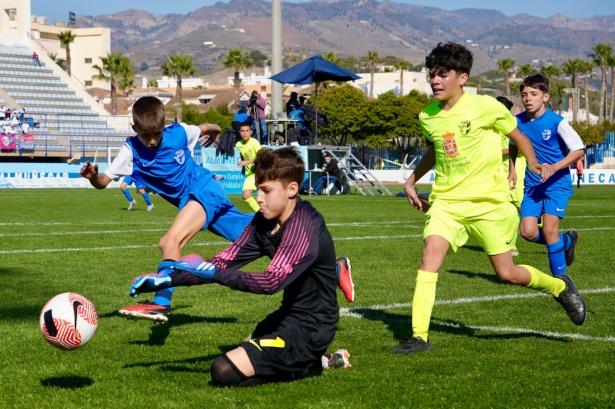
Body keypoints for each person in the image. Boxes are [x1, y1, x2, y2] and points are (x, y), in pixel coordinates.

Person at [395, 42, 587, 354]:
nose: (435, 81)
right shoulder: (427, 116)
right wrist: (411, 181)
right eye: (432, 75)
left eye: (443, 74)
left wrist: (531, 163)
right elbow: (435, 150)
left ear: (463, 77)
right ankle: (419, 336)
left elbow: (519, 136)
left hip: (489, 205)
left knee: (507, 273)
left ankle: (559, 286)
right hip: (447, 203)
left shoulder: (486, 107)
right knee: (430, 256)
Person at [128, 147, 354, 386]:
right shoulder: (263, 222)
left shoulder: (304, 225)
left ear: (292, 190)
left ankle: (306, 368)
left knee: (223, 370)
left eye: (266, 190)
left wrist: (215, 274)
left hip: (313, 327)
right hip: (287, 317)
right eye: (258, 189)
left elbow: (270, 282)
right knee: (246, 350)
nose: (258, 197)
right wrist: (169, 278)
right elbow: (222, 262)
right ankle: (320, 362)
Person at [79, 96, 255, 323]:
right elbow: (103, 181)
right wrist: (93, 177)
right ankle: (300, 236)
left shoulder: (178, 132)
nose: (152, 141)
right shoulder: (130, 152)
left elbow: (203, 127)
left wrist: (216, 131)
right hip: (197, 202)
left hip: (204, 189)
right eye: (146, 135)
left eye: (157, 134)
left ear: (165, 126)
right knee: (258, 233)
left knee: (170, 242)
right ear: (134, 127)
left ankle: (161, 303)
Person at [511, 74, 584, 278]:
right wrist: (511, 171)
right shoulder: (516, 121)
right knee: (527, 232)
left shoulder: (557, 122)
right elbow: (512, 146)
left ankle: (562, 283)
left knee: (550, 231)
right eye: (524, 94)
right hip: (533, 185)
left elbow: (578, 149)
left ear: (545, 97)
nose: (528, 98)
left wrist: (554, 167)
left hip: (556, 184)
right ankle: (567, 242)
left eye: (534, 94)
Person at [235, 122, 262, 212]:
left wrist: (246, 162)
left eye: (247, 131)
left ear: (251, 132)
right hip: (250, 174)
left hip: (261, 172)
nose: (245, 133)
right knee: (246, 195)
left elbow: (261, 157)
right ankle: (261, 214)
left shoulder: (254, 142)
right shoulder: (238, 144)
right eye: (242, 131)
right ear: (239, 132)